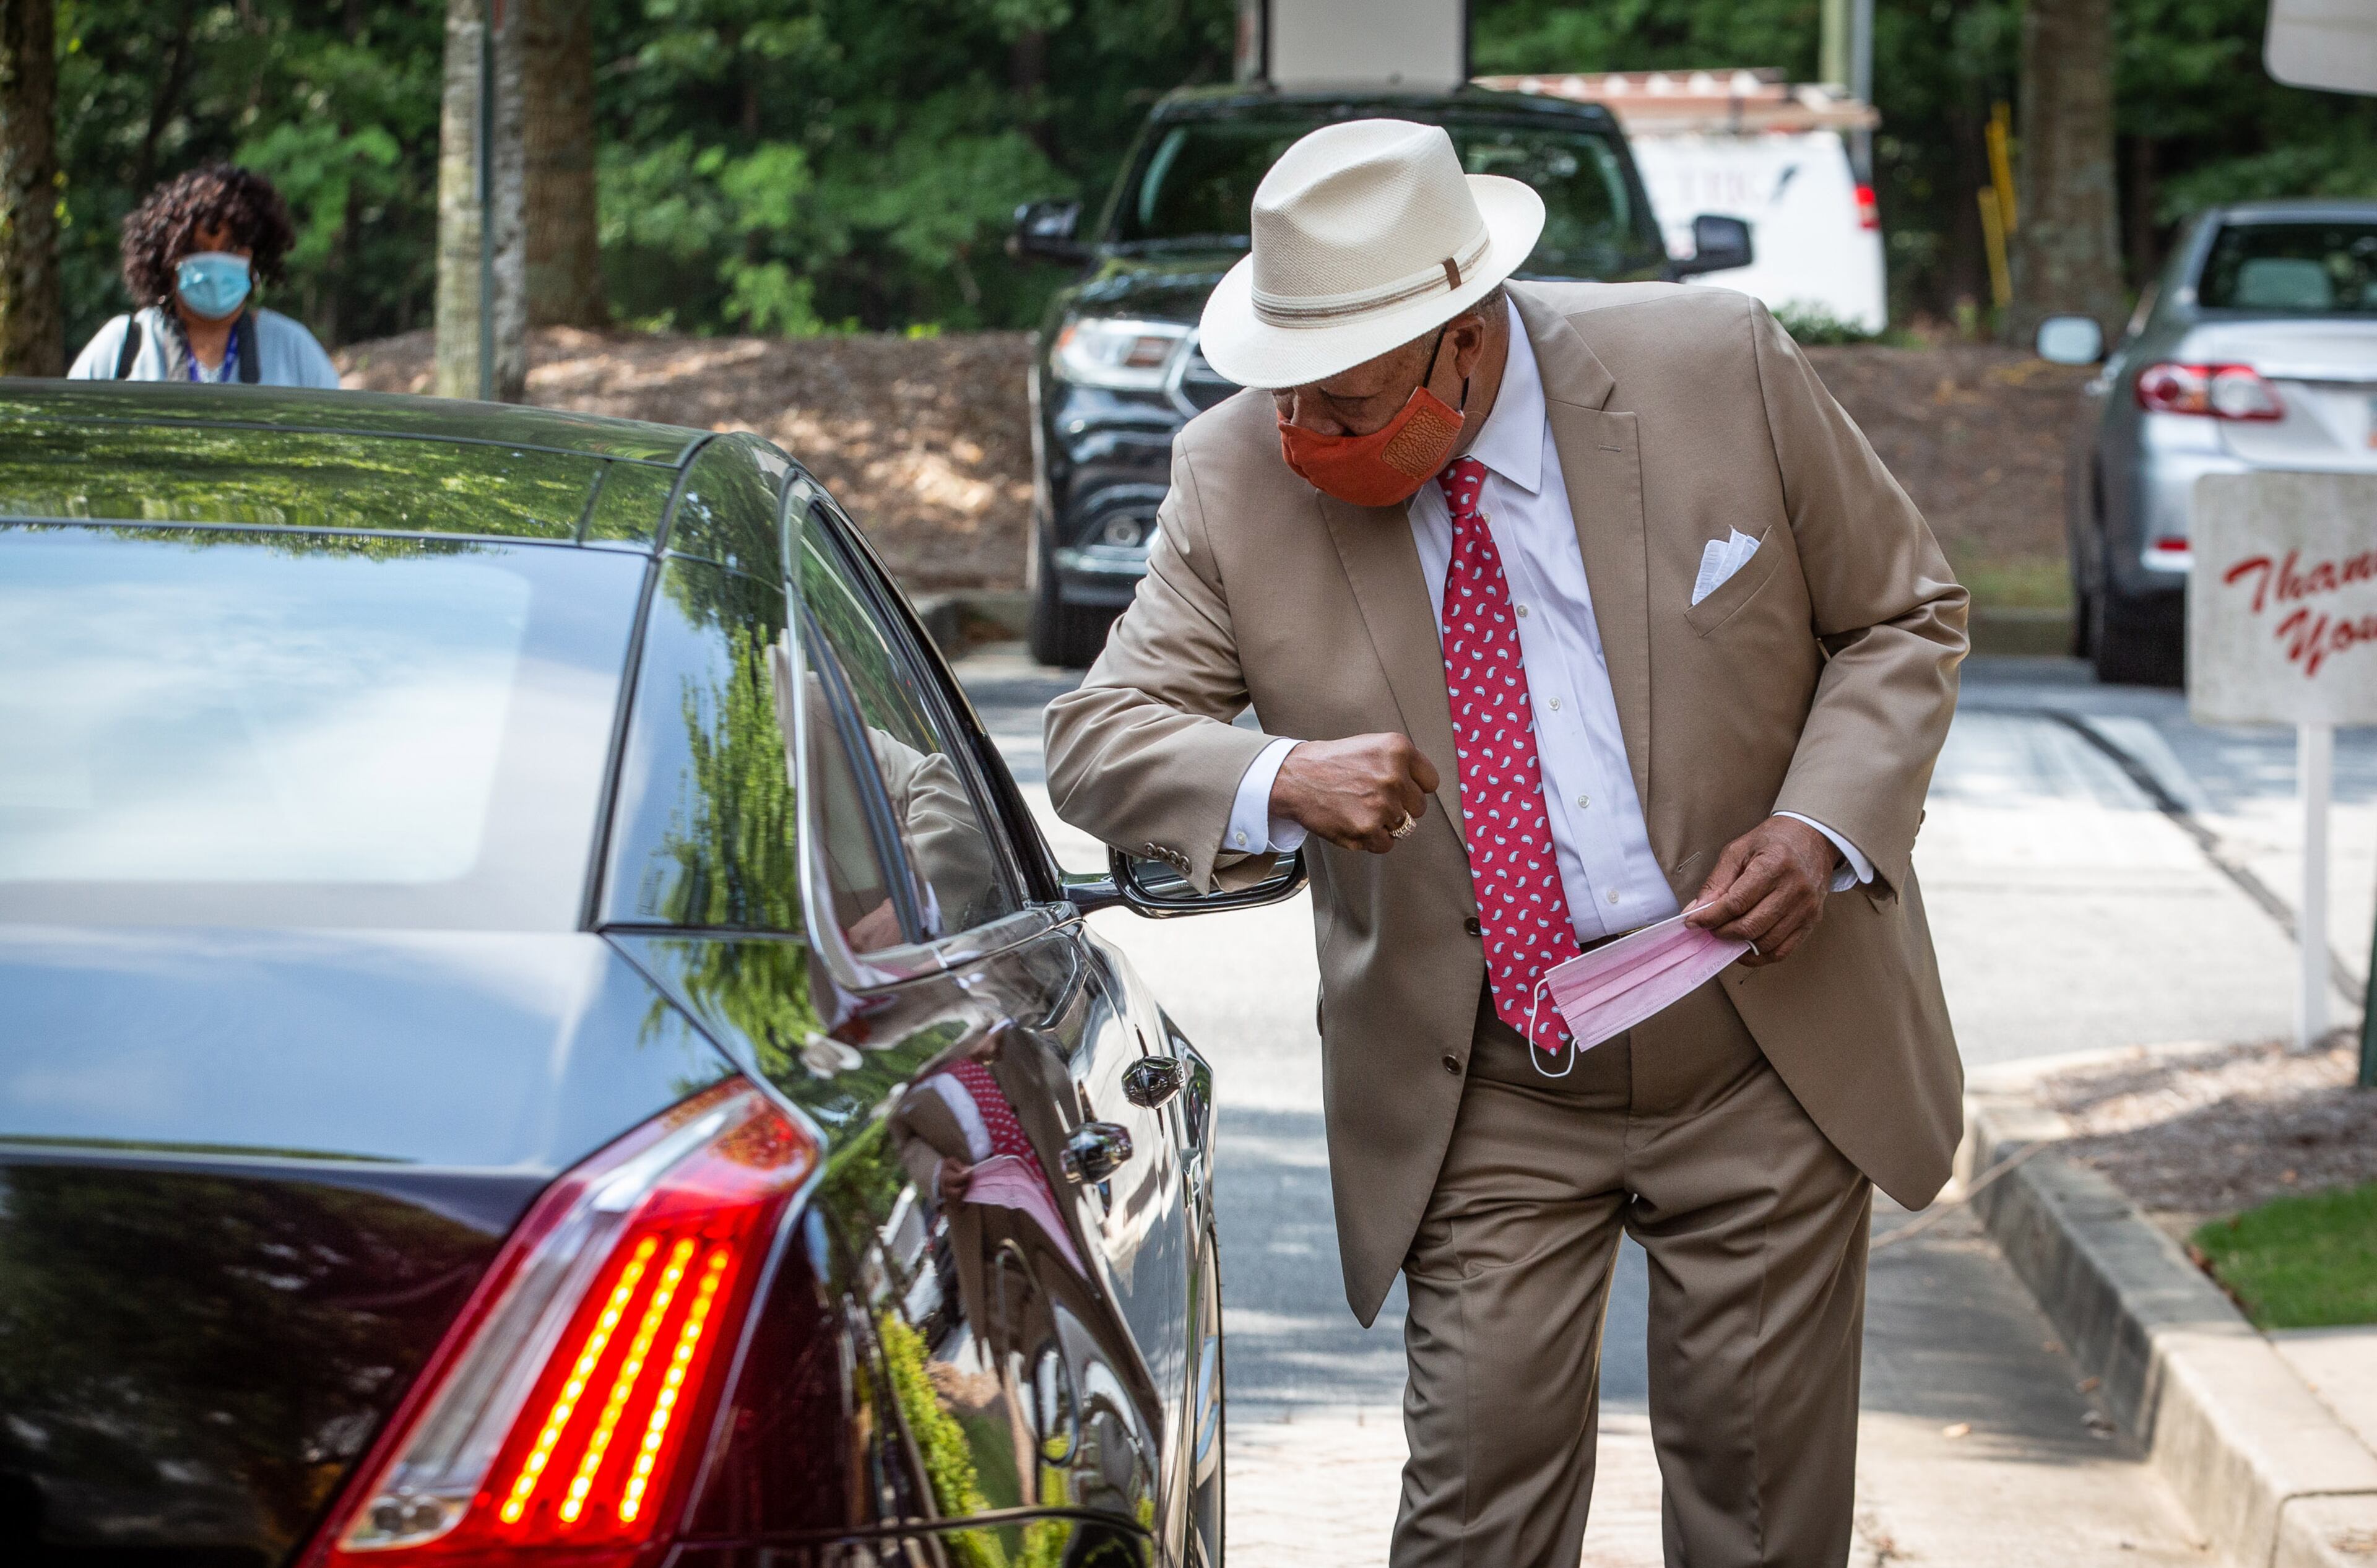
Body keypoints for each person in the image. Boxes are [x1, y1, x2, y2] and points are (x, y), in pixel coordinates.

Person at [1042, 120, 1967, 1566]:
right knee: (1475, 1508)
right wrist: (1280, 772)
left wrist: (1820, 823)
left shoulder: (1714, 364)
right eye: (1283, 399)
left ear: (1464, 341)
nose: (1306, 442)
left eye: (1344, 407)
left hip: (1759, 1043)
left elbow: (1899, 613)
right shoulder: (1232, 476)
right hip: (1484, 1080)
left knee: (1762, 1508)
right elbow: (1098, 739)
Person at [67, 165, 340, 388]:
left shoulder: (294, 349)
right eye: (197, 250)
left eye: (231, 249)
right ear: (167, 260)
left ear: (254, 257)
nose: (216, 260)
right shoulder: (121, 347)